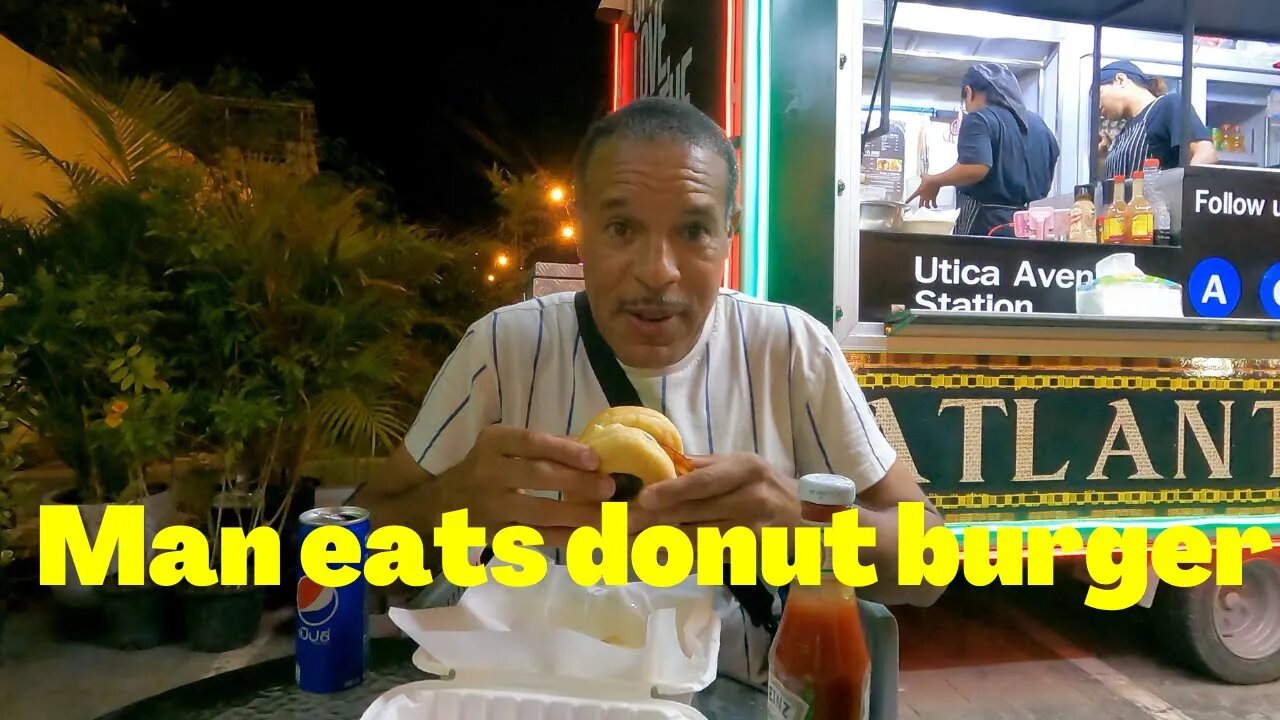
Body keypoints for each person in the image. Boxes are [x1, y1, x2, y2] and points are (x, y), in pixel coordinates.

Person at [353, 96, 948, 686]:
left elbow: (931, 567)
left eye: (693, 230)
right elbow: (346, 548)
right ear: (581, 231)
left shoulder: (791, 351)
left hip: (727, 697)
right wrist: (450, 504)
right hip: (522, 694)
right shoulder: (503, 351)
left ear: (728, 236)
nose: (658, 270)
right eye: (620, 228)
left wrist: (799, 521)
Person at [907, 62, 1060, 237]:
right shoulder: (1040, 125)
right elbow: (1051, 160)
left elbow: (976, 168)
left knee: (980, 264)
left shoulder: (979, 119)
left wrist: (935, 180)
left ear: (969, 92)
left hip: (985, 227)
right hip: (1028, 227)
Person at [1097, 60, 1217, 178]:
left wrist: (1186, 193)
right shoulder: (1124, 133)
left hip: (1159, 198)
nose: (1097, 106)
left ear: (1120, 80)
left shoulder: (1168, 105)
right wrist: (1102, 157)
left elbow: (1206, 153)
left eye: (1099, 94)